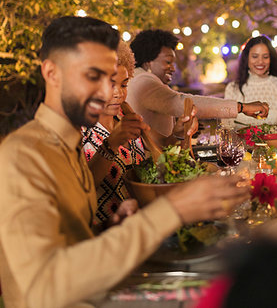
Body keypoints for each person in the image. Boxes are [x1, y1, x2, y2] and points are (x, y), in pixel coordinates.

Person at [0, 16, 250, 308]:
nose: (110, 93)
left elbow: (73, 242)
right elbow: (41, 290)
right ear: (52, 73)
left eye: (116, 80)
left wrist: (110, 230)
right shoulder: (24, 156)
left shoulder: (67, 144)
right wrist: (170, 211)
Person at [127, 29, 269, 147]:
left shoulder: (142, 79)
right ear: (148, 62)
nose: (173, 68)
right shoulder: (143, 81)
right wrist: (241, 107)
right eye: (168, 62)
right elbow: (182, 102)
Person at [82, 41, 149, 223]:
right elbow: (82, 189)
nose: (119, 93)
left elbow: (156, 167)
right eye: (111, 85)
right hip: (103, 239)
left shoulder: (125, 117)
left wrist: (182, 135)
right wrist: (111, 144)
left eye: (124, 84)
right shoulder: (78, 130)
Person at [224, 35, 277, 127]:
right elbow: (226, 127)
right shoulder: (232, 88)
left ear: (271, 59)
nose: (260, 61)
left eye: (265, 57)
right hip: (241, 141)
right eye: (255, 56)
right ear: (247, 58)